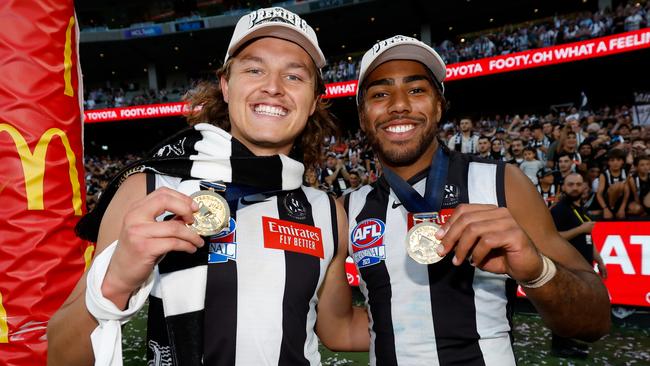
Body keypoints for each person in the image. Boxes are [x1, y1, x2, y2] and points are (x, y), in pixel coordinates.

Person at [47, 7, 368, 366]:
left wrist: (434, 316)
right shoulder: (151, 187)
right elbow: (61, 353)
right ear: (226, 86)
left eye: (294, 77)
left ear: (313, 102)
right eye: (254, 69)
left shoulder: (325, 211)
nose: (273, 87)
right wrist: (115, 283)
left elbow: (339, 330)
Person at [347, 34, 610, 365]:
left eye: (416, 90)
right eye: (380, 94)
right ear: (362, 116)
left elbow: (596, 322)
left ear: (439, 105)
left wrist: (535, 271)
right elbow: (337, 328)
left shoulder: (503, 182)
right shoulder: (349, 207)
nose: (399, 104)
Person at [550, 172, 607, 358]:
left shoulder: (581, 209)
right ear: (564, 187)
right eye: (570, 184)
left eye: (578, 184)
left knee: (575, 308)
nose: (575, 187)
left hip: (583, 265)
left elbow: (587, 237)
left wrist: (598, 259)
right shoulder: (559, 210)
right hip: (566, 265)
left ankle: (568, 340)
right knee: (564, 307)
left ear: (584, 187)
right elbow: (552, 238)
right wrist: (581, 229)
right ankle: (559, 346)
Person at [596, 148, 629, 219]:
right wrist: (605, 208)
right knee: (618, 185)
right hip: (607, 202)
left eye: (618, 160)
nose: (615, 163)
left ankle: (617, 210)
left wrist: (622, 208)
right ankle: (611, 208)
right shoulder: (604, 174)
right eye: (612, 160)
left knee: (636, 208)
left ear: (623, 161)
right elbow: (599, 194)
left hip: (620, 201)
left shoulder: (625, 173)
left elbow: (627, 192)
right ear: (608, 162)